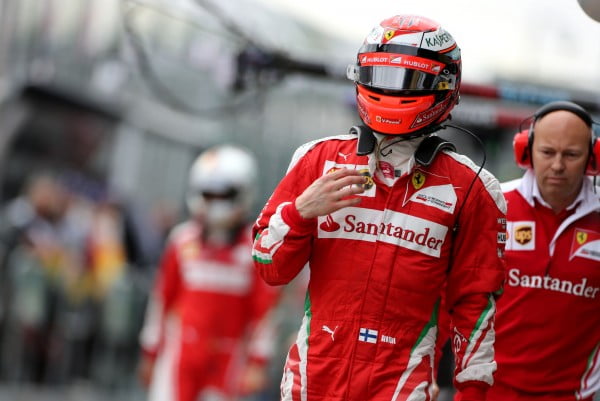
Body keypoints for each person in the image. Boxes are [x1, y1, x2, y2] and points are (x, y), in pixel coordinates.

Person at [252, 14, 507, 401]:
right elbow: (268, 267)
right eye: (382, 76)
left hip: (400, 386)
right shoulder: (317, 160)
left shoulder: (473, 186)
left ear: (442, 86)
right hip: (311, 380)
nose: (392, 91)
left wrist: (471, 391)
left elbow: (475, 304)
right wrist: (300, 211)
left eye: (406, 80)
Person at [138, 145, 280, 401]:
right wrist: (150, 351)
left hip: (228, 357)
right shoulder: (182, 240)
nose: (216, 202)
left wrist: (258, 361)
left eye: (224, 194)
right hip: (180, 352)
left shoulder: (255, 247)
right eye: (209, 193)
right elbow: (161, 300)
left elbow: (264, 310)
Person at [489, 101, 600, 400]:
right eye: (548, 152)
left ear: (592, 157)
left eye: (572, 154)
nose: (558, 165)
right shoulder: (493, 204)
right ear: (526, 151)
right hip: (486, 390)